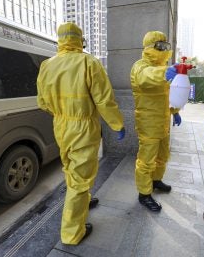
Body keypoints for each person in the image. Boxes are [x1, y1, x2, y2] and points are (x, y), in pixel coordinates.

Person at [37, 22, 125, 245]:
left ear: (60, 39)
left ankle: (84, 201)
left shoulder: (47, 65)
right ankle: (72, 232)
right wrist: (117, 124)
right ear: (79, 39)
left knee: (70, 169)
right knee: (80, 178)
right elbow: (104, 99)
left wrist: (61, 114)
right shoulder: (88, 62)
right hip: (83, 127)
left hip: (61, 125)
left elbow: (42, 102)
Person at [130, 31, 181, 212]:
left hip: (163, 121)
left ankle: (156, 180)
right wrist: (165, 72)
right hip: (148, 122)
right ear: (150, 47)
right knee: (146, 160)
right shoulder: (140, 66)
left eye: (166, 46)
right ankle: (144, 193)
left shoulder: (164, 68)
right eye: (160, 46)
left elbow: (169, 93)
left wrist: (175, 111)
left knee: (163, 155)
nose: (164, 50)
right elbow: (146, 77)